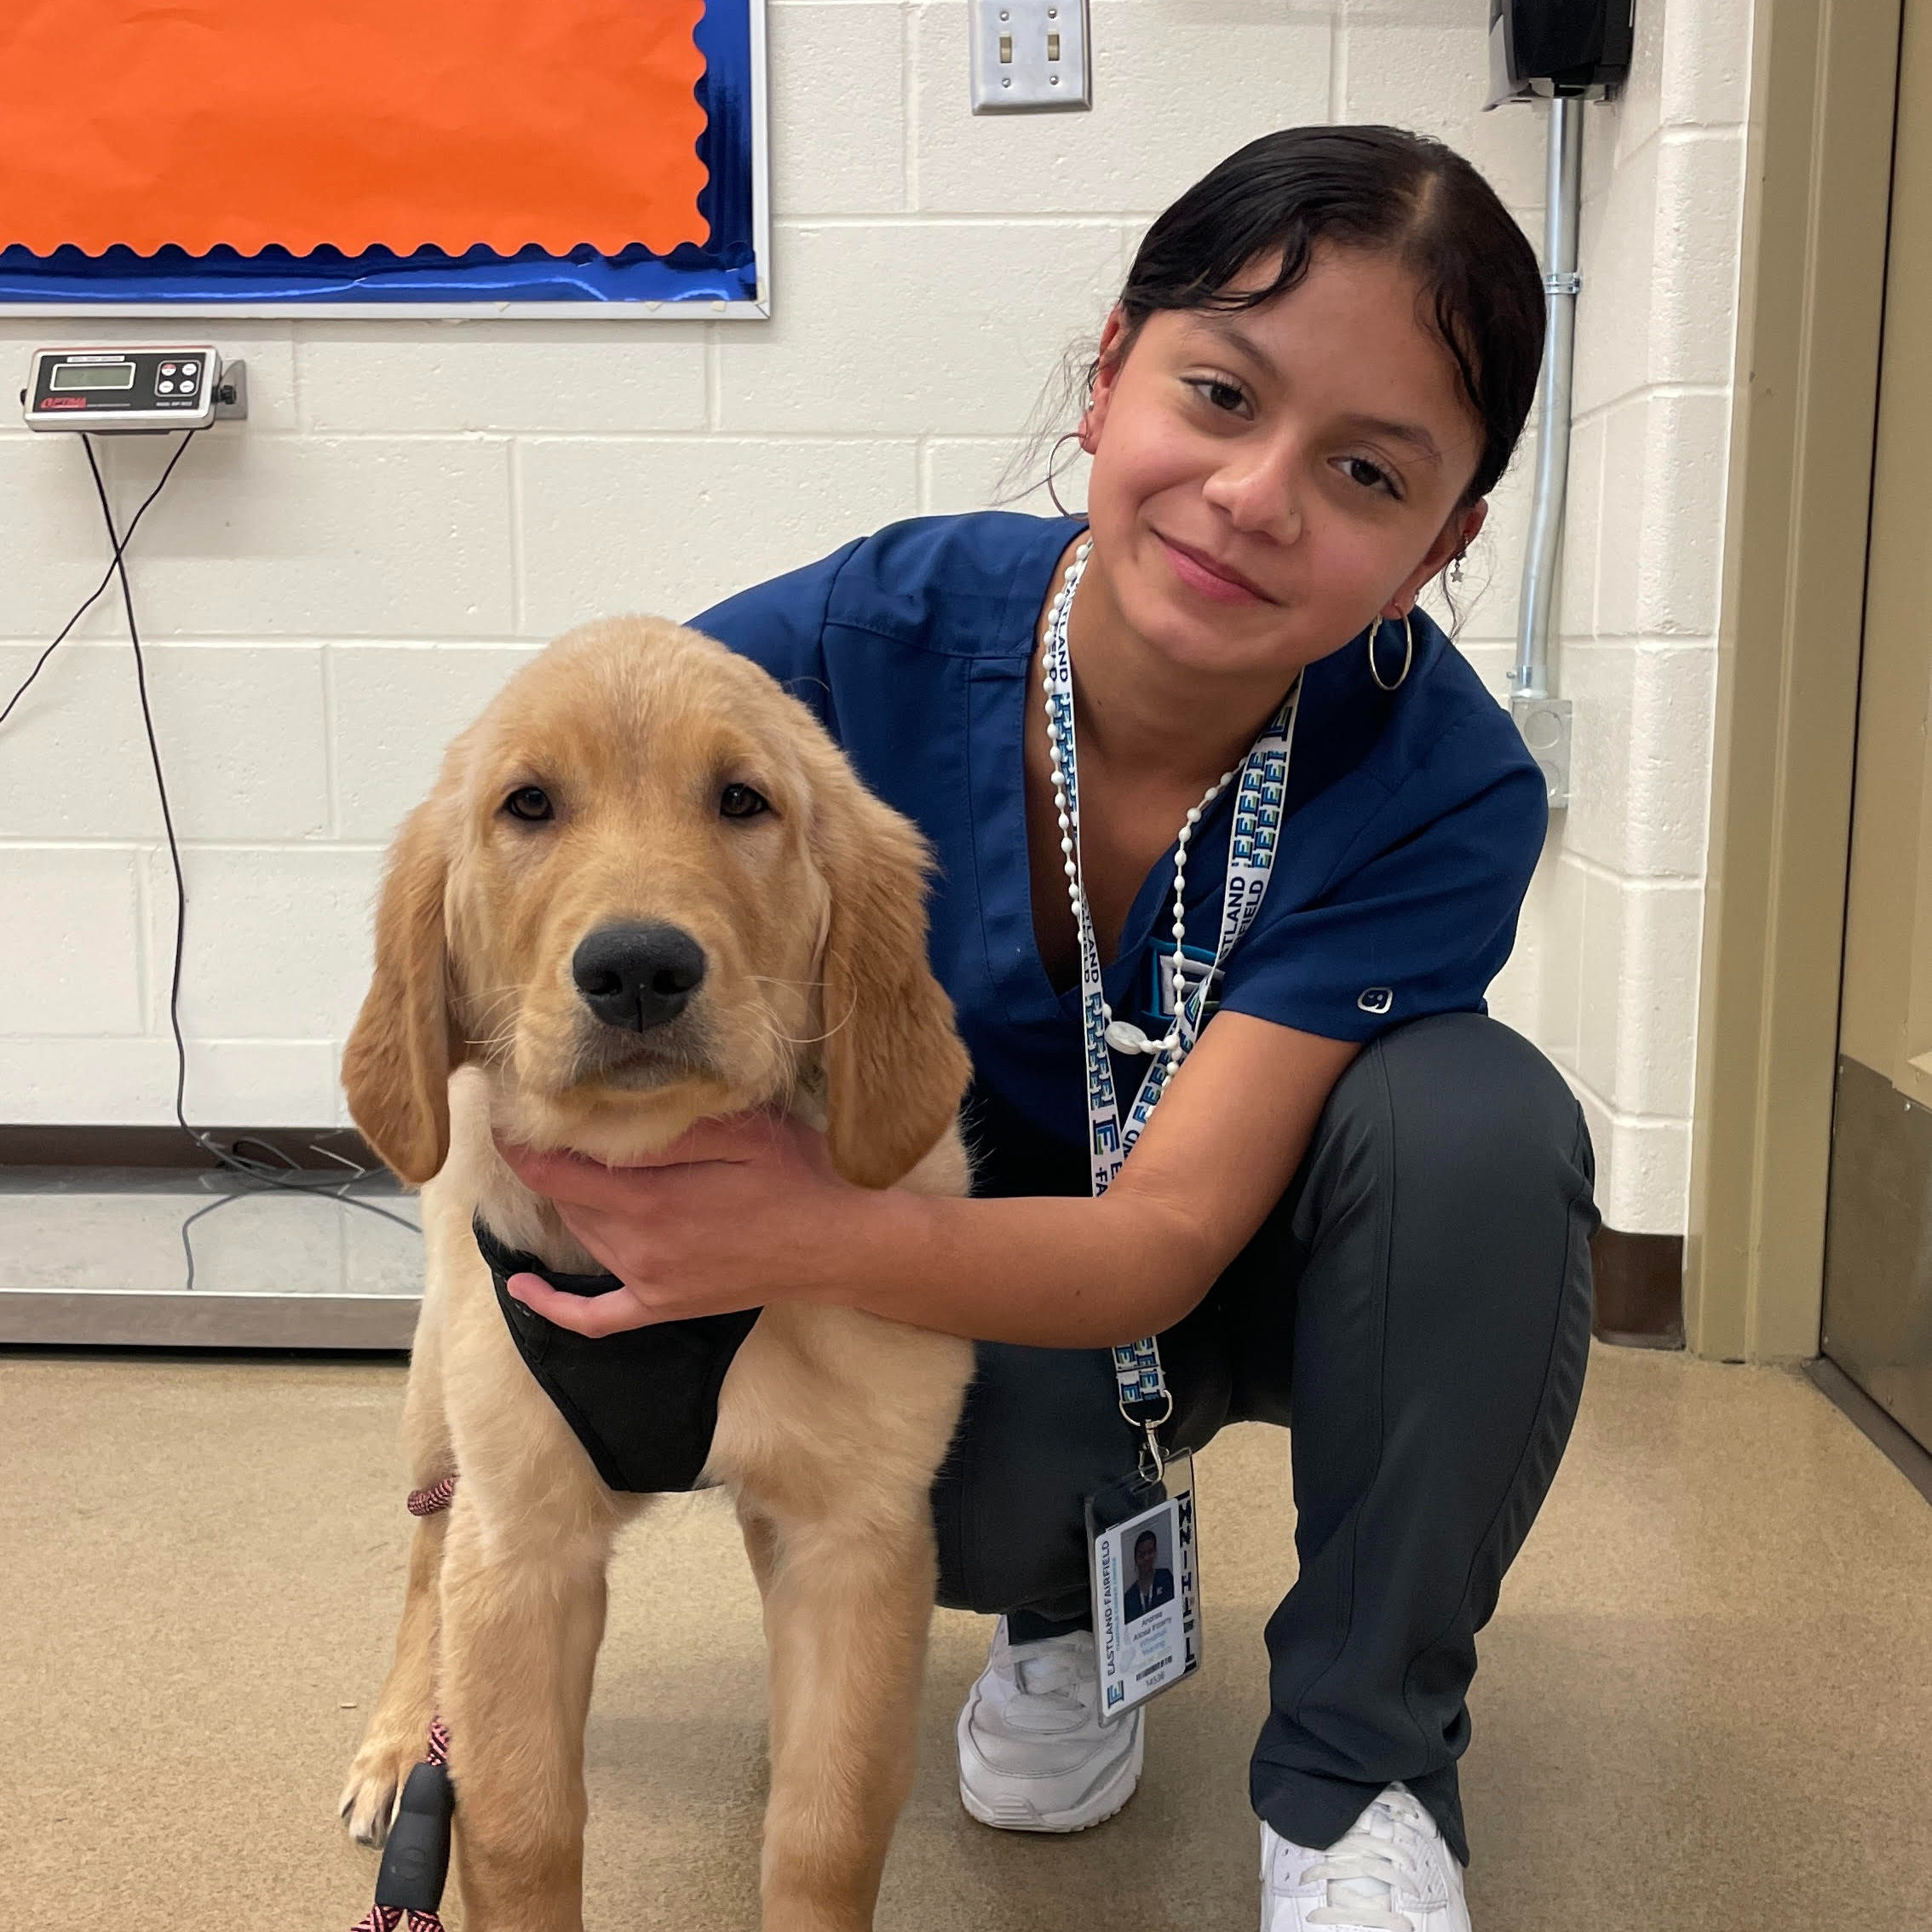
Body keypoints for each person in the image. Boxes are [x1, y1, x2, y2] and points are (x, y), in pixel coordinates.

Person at [497, 124, 1597, 1932]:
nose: (1257, 494)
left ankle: (1361, 1775)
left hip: (1265, 1274)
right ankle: (1075, 1606)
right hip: (983, 1290)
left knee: (1479, 1125)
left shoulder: (1446, 780)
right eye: (1221, 392)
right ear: (1109, 376)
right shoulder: (853, 645)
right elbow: (548, 848)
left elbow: (1169, 1237)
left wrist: (797, 1233)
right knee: (987, 1460)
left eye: (1370, 471)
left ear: (1440, 548)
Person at [1122, 1529, 1174, 1625]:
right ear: (1135, 1559)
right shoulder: (1129, 1597)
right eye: (1142, 1555)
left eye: (1150, 1552)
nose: (1146, 1558)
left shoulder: (1165, 1577)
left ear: (1155, 1553)